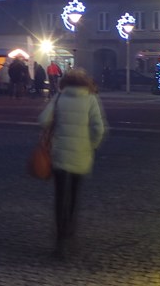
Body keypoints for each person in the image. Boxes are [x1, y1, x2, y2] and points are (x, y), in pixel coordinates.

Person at [38, 68, 107, 258]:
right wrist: (91, 145)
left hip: (60, 153)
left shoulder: (59, 98)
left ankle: (60, 241)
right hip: (82, 153)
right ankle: (71, 235)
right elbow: (98, 128)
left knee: (60, 196)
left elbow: (43, 119)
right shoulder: (91, 99)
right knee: (75, 196)